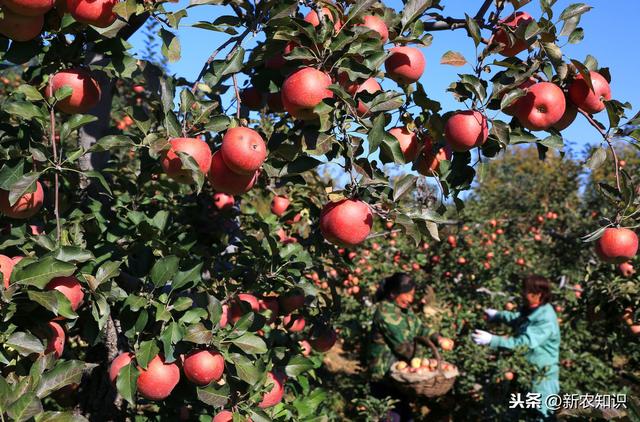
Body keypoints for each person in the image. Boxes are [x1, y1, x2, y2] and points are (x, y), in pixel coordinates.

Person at [365, 273, 454, 422]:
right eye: (407, 295)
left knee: (405, 414)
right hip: (384, 374)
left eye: (412, 295)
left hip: (401, 375)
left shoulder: (406, 310)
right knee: (390, 416)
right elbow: (402, 346)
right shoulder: (385, 312)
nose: (411, 299)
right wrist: (426, 366)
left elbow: (420, 329)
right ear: (394, 293)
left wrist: (438, 339)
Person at [472, 275, 560, 421]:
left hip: (542, 378)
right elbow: (518, 319)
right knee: (515, 413)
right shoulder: (533, 309)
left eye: (526, 291)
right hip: (524, 372)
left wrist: (492, 340)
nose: (522, 294)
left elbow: (522, 343)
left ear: (538, 294)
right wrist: (498, 315)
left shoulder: (546, 319)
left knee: (542, 416)